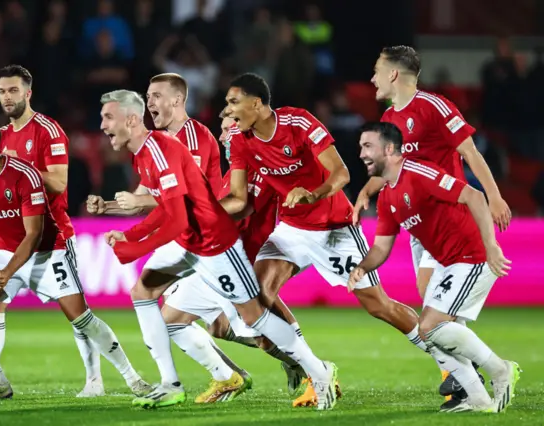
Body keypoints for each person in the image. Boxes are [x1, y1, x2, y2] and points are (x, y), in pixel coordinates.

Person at [98, 90, 337, 410]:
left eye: (231, 127)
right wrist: (136, 234)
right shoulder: (230, 173)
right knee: (172, 317)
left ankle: (317, 371)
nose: (224, 135)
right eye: (223, 129)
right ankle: (213, 378)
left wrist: (141, 241)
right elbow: (181, 208)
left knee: (259, 324)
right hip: (203, 251)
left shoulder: (258, 168)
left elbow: (229, 209)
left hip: (231, 252)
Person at [222, 73, 425, 406]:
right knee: (254, 298)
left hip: (334, 227)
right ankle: (318, 374)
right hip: (291, 230)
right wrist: (201, 212)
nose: (228, 110)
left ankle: (449, 357)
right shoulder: (241, 140)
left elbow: (341, 173)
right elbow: (239, 199)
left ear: (255, 103)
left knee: (378, 305)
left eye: (233, 102)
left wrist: (310, 194)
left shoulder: (298, 122)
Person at [0, 118, 150, 399]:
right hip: (4, 250)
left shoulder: (23, 175)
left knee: (81, 318)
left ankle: (133, 379)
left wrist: (8, 272)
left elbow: (34, 234)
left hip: (48, 252)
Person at [353, 45, 511, 401]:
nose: (372, 78)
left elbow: (470, 152)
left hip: (448, 213)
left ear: (394, 74)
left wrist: (495, 195)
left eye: (377, 70)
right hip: (417, 221)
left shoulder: (433, 106)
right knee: (432, 303)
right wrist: (365, 191)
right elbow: (389, 169)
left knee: (438, 314)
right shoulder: (389, 120)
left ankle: (475, 377)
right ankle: (467, 377)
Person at [0, 65, 106, 398]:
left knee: (74, 312)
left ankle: (94, 378)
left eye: (13, 91)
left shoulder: (48, 130)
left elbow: (60, 182)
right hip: (9, 238)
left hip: (51, 234)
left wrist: (17, 168)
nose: (7, 97)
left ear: (28, 93)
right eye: (2, 92)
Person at [109, 72, 222, 214]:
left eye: (157, 96)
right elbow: (137, 199)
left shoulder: (195, 136)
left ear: (177, 100)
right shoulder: (160, 144)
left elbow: (190, 192)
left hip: (205, 232)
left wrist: (139, 201)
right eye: (148, 97)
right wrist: (106, 207)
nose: (149, 103)